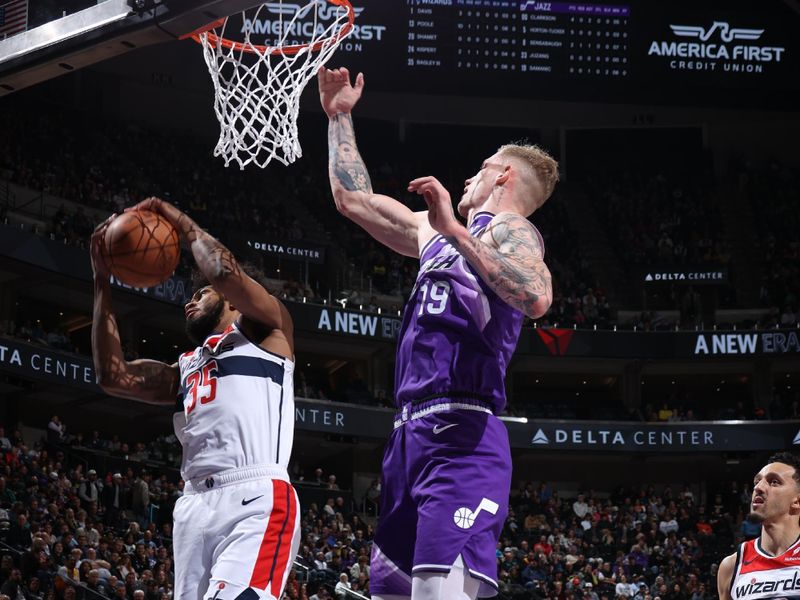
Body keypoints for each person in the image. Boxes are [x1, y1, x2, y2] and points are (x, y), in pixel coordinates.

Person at [318, 67, 557, 600]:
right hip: (408, 437)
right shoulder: (435, 233)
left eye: (483, 167)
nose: (471, 176)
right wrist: (339, 117)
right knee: (390, 591)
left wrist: (454, 230)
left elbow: (535, 296)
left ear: (503, 178)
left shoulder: (508, 231)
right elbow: (353, 201)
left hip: (464, 437)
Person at [90, 197, 300, 600]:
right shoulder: (183, 367)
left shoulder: (269, 330)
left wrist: (179, 221)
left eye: (201, 293)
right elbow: (112, 376)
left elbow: (222, 272)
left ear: (234, 301)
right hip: (193, 506)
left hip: (255, 495)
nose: (189, 301)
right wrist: (102, 280)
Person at [717, 452, 800, 600]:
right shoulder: (731, 566)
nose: (758, 488)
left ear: (797, 501)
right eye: (757, 482)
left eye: (774, 482)